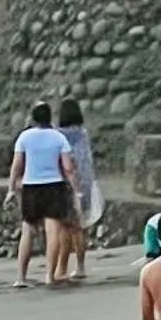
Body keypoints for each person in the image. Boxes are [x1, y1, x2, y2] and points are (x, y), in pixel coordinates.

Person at [6, 101, 79, 288]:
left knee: (28, 231)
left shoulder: (24, 137)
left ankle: (20, 277)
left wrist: (11, 188)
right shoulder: (58, 138)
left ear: (32, 118)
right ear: (49, 117)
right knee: (53, 231)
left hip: (31, 186)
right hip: (54, 186)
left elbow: (16, 165)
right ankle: (49, 275)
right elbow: (68, 168)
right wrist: (76, 190)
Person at [57, 96, 103, 283]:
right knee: (78, 228)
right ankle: (81, 266)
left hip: (66, 184)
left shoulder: (58, 135)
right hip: (86, 183)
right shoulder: (83, 134)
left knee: (64, 228)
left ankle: (61, 267)